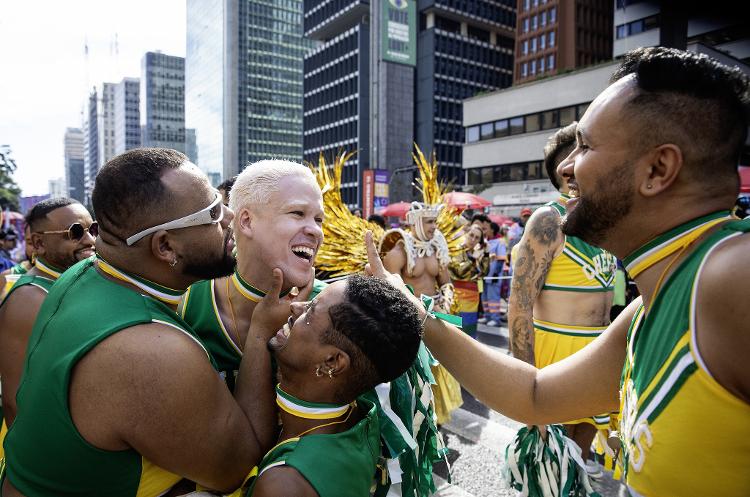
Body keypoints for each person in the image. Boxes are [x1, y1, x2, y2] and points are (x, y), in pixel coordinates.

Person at [366, 47, 750, 497]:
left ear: (657, 169)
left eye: (585, 146)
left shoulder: (731, 275)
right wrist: (409, 304)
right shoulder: (656, 302)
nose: (566, 167)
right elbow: (534, 395)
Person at [3, 148, 283, 496]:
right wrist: (259, 333)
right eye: (212, 212)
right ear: (165, 247)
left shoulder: (82, 273)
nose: (229, 216)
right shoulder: (148, 350)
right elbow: (236, 465)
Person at [245, 275, 423, 497]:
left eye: (310, 311)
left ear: (332, 362)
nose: (295, 307)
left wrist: (259, 330)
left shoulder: (284, 485)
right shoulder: (361, 413)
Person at [508, 122, 617, 467]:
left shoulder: (609, 220)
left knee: (582, 461)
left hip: (602, 350)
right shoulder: (548, 221)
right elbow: (519, 306)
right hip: (558, 353)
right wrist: (525, 386)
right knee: (551, 463)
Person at [181, 160, 325, 392]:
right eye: (298, 213)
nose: (315, 230)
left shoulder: (334, 310)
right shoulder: (185, 300)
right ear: (246, 221)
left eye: (319, 219)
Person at [0, 198, 96, 434]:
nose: (90, 240)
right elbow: (16, 401)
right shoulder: (30, 300)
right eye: (75, 232)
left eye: (93, 229)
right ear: (39, 243)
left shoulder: (74, 280)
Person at [448, 223, 489, 338]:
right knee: (455, 330)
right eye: (471, 235)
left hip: (472, 297)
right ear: (466, 233)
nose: (473, 239)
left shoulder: (476, 253)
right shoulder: (456, 249)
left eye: (477, 238)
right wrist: (473, 259)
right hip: (457, 296)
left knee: (469, 330)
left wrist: (486, 254)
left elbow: (484, 272)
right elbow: (459, 272)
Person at [481, 222, 507, 326]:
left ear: (492, 230)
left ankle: (495, 319)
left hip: (493, 276)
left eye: (486, 228)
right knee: (485, 297)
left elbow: (501, 259)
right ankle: (487, 316)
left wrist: (496, 274)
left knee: (493, 299)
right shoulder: (486, 241)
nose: (484, 230)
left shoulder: (500, 241)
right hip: (484, 275)